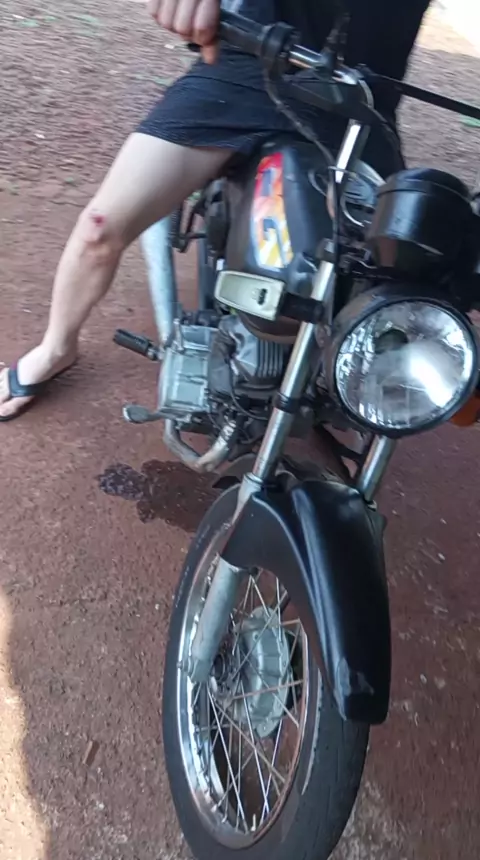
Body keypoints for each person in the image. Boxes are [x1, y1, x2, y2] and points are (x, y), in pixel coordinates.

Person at [0, 0, 431, 421]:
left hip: (361, 105)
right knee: (100, 227)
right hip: (252, 70)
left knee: (394, 286)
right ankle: (56, 348)